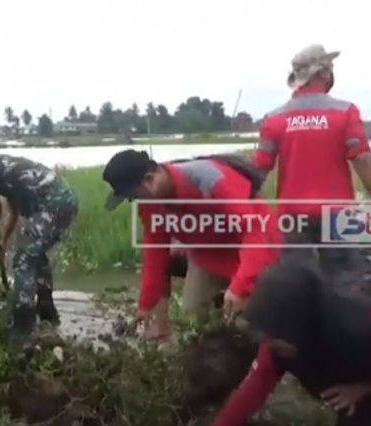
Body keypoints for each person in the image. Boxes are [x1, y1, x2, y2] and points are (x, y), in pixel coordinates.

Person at [102, 149, 280, 340]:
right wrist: (146, 305)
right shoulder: (150, 203)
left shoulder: (212, 180)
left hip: (256, 251)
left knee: (256, 325)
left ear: (149, 180)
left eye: (134, 196)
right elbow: (155, 254)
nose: (136, 202)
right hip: (207, 257)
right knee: (195, 318)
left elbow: (255, 235)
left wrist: (240, 287)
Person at [211, 248, 371, 426]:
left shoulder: (354, 326)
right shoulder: (275, 346)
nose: (269, 342)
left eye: (276, 337)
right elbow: (250, 392)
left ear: (299, 326)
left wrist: (362, 388)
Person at [0, 139, 79, 340]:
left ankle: (23, 325)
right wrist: (4, 238)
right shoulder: (5, 166)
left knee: (23, 260)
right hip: (66, 203)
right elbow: (13, 211)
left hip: (52, 205)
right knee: (35, 256)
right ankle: (47, 312)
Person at [253, 44, 371, 245]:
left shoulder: (274, 118)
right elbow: (361, 158)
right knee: (347, 273)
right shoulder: (345, 111)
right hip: (340, 216)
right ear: (324, 73)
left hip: (291, 218)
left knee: (294, 274)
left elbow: (258, 169)